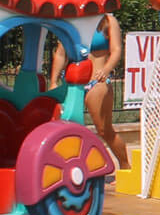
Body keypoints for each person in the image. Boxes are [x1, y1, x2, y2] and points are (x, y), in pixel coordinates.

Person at [52, 13, 128, 169]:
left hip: (97, 82)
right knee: (67, 128)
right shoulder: (72, 20)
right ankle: (73, 167)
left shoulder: (108, 21)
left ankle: (126, 166)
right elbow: (60, 53)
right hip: (73, 83)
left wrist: (106, 69)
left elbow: (116, 50)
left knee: (104, 130)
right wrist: (53, 81)